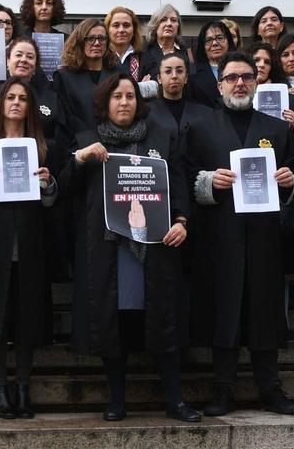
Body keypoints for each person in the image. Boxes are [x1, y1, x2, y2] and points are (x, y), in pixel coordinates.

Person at [62, 73, 199, 423]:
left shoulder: (162, 138)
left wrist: (182, 221)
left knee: (162, 320)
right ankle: (117, 400)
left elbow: (180, 186)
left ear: (140, 102)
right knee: (114, 323)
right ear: (104, 102)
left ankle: (175, 400)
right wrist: (79, 158)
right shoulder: (86, 140)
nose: (124, 102)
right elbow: (64, 191)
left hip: (155, 247)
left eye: (130, 96)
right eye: (116, 96)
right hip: (108, 250)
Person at [183, 51, 294, 416]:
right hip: (220, 236)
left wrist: (289, 182)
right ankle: (223, 389)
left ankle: (270, 387)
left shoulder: (277, 129)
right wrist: (208, 181)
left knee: (264, 308)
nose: (239, 83)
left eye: (246, 77)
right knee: (225, 310)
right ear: (219, 85)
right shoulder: (200, 127)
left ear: (257, 81)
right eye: (232, 78)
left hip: (265, 235)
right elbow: (185, 179)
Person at [0, 77, 59, 419]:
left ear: (31, 106)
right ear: (0, 104)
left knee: (27, 321)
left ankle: (23, 390)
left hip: (31, 244)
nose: (16, 103)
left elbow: (52, 204)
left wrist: (48, 183)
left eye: (22, 98)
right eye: (10, 98)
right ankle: (0, 389)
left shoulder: (44, 146)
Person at [0, 38, 65, 141]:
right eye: (18, 55)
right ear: (8, 60)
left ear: (35, 65)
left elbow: (61, 137)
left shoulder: (51, 98)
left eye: (30, 57)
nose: (23, 60)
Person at [54, 19, 119, 137]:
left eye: (102, 38)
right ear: (79, 42)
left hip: (115, 144)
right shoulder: (64, 77)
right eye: (90, 38)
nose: (97, 43)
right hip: (79, 145)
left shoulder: (118, 75)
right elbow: (65, 118)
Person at [147, 53, 211, 134]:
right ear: (159, 78)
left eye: (179, 71)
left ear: (186, 78)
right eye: (168, 71)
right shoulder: (147, 113)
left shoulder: (204, 114)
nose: (174, 76)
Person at [106, 6, 158, 99]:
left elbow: (155, 88)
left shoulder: (146, 58)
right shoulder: (101, 58)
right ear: (108, 30)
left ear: (133, 30)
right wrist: (140, 87)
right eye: (116, 25)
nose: (121, 30)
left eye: (126, 25)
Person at [139, 4, 193, 81]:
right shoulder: (144, 52)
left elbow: (192, 80)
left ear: (178, 26)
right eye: (163, 20)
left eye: (173, 20)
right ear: (155, 25)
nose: (169, 24)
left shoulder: (186, 51)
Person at [189, 21, 236, 109]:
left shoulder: (240, 68)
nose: (214, 43)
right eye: (208, 40)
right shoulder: (193, 73)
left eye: (220, 38)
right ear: (203, 46)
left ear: (228, 41)